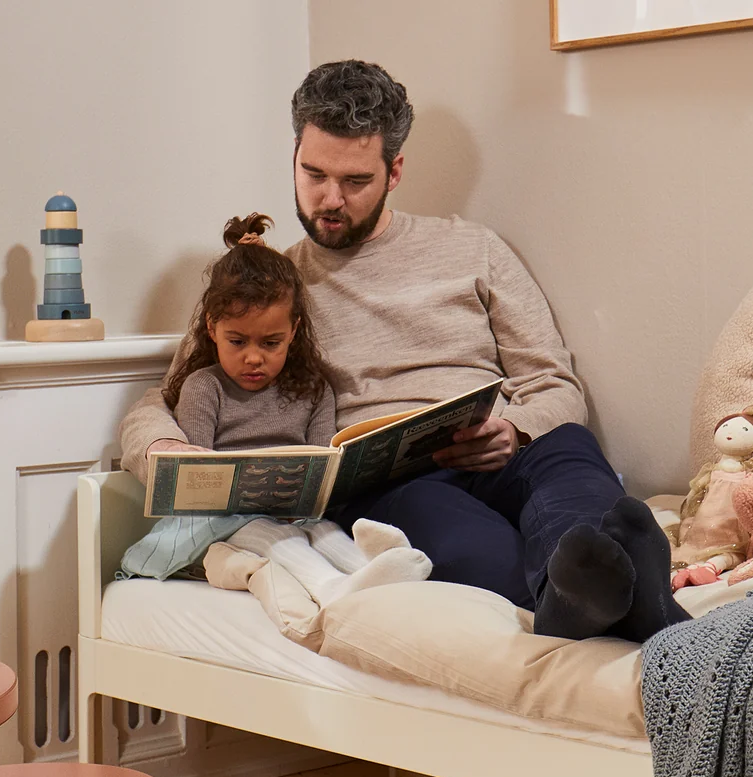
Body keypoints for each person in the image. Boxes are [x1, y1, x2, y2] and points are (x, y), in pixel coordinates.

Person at [119, 60, 686, 642]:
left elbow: (554, 384)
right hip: (396, 484)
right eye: (313, 174)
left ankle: (600, 585)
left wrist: (515, 430)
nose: (330, 199)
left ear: (394, 171)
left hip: (499, 449)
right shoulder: (267, 290)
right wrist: (163, 447)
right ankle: (610, 602)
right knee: (475, 548)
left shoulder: (473, 248)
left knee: (570, 454)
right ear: (295, 155)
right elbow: (160, 401)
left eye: (355, 181)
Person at [121, 212, 429, 603]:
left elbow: (323, 466)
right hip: (219, 524)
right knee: (274, 537)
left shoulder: (313, 389)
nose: (253, 358)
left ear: (293, 331)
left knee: (324, 531)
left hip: (294, 513)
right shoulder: (204, 387)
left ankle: (377, 568)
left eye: (271, 343)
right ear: (212, 327)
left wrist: (306, 500)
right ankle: (330, 587)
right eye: (237, 342)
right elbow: (196, 482)